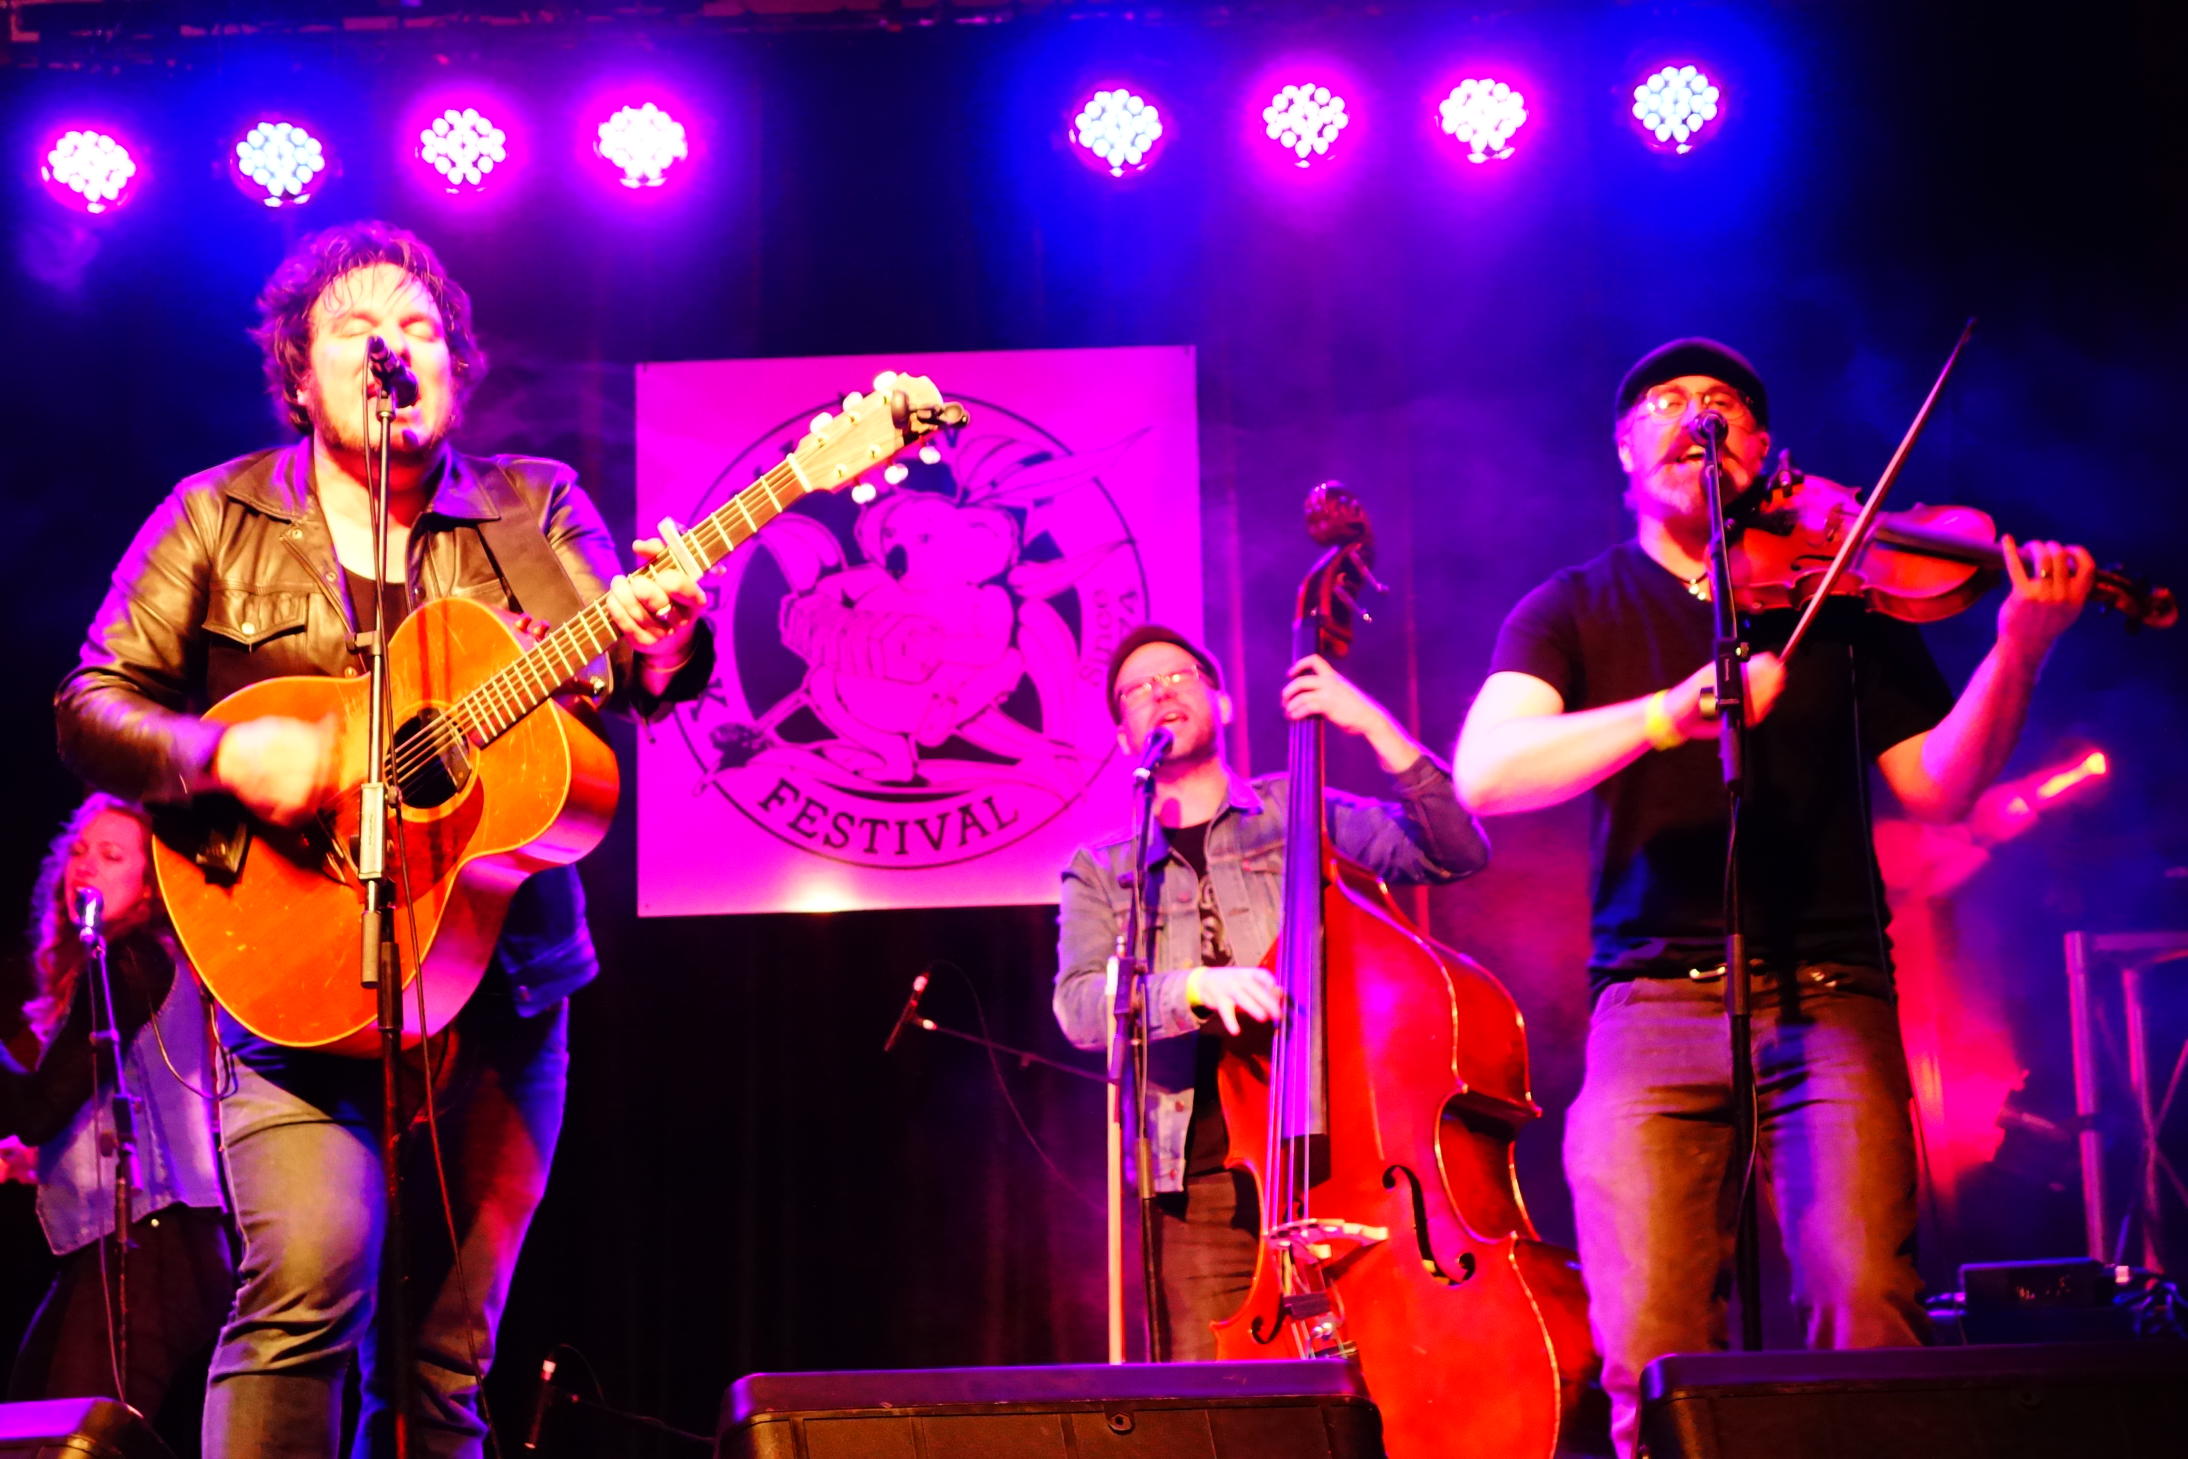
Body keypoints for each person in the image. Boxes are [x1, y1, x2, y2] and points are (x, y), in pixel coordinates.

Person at [53, 221, 715, 1459]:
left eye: (419, 328)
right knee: (308, 1288)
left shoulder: (532, 505)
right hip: (289, 979)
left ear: (453, 366)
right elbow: (92, 708)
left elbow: (616, 670)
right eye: (356, 328)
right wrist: (220, 753)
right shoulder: (216, 514)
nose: (392, 347)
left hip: (501, 988)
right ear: (298, 375)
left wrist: (664, 642)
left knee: (444, 1357)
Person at [1453, 338, 2095, 1457]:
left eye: (1724, 405)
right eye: (1664, 403)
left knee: (1866, 1306)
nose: (1694, 417)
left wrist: (2018, 653)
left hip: (1829, 991)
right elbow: (1488, 773)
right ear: (1623, 451)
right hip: (1650, 1002)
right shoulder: (1571, 608)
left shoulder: (1843, 604)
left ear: (1763, 449)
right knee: (1644, 1335)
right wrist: (1670, 712)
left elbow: (1938, 788)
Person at [1054, 624, 1490, 1360]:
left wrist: (1374, 727)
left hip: (1338, 1150)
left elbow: (1455, 851)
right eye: (1138, 688)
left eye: (1180, 675)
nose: (1161, 691)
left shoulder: (1299, 808)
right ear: (1124, 736)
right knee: (1220, 1399)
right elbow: (1078, 1007)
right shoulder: (1101, 868)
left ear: (1221, 704)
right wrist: (1193, 986)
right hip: (1197, 1184)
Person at [1, 794, 232, 1438]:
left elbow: (40, 1109)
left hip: (154, 1244)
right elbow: (93, 1108)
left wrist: (32, 1131)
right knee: (31, 1424)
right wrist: (36, 1160)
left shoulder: (132, 963)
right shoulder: (137, 965)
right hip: (137, 1239)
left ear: (151, 885)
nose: (86, 867)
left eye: (111, 856)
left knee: (71, 1438)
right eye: (80, 851)